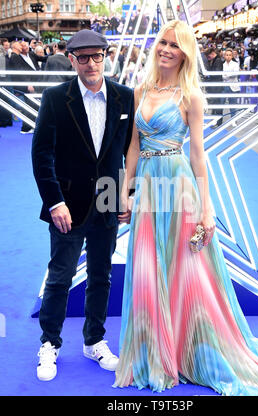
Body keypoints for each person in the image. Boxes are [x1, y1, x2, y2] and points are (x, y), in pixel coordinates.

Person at [113, 19, 258, 396]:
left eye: (175, 45)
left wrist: (207, 208)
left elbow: (198, 154)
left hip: (180, 185)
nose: (166, 49)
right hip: (148, 185)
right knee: (149, 267)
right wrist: (123, 190)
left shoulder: (191, 97)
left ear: (186, 54)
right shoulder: (139, 91)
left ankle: (192, 351)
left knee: (187, 271)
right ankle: (154, 352)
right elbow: (132, 146)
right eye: (163, 42)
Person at [31, 29, 134, 382]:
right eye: (83, 57)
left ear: (106, 57)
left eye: (97, 56)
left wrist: (129, 193)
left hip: (108, 198)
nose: (91, 63)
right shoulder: (56, 98)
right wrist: (54, 200)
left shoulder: (125, 98)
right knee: (59, 277)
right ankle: (50, 343)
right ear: (72, 60)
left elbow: (129, 154)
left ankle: (94, 340)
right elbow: (42, 154)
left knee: (101, 276)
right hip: (67, 203)